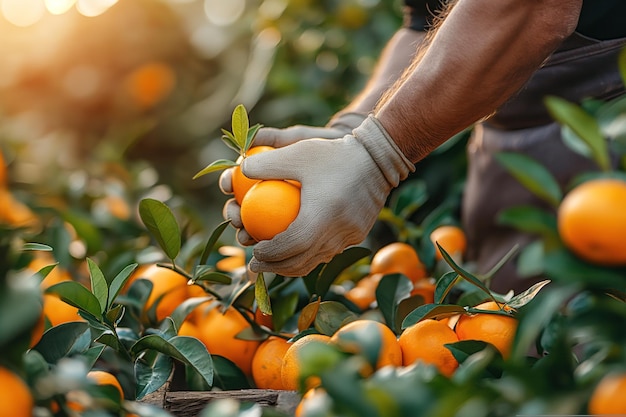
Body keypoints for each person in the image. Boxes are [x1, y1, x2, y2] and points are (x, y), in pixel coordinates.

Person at [219, 0, 626, 294]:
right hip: (511, 149)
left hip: (611, 124)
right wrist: (353, 131)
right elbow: (428, 23)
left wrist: (379, 152)